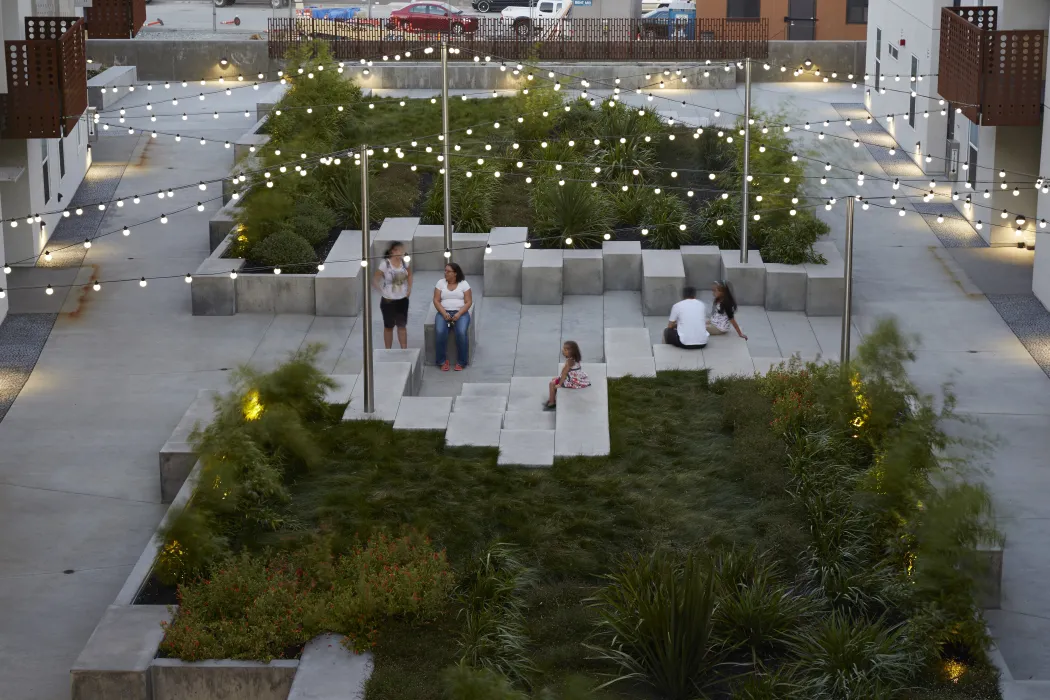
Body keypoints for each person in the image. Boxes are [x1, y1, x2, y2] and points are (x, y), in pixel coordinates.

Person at [433, 262, 472, 371]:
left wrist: (459, 314)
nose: (445, 273)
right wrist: (444, 313)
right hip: (443, 312)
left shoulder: (464, 284)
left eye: (448, 271)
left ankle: (462, 361)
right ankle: (441, 360)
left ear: (455, 273)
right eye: (445, 271)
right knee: (440, 331)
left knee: (461, 332)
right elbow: (436, 300)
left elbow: (468, 302)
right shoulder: (440, 283)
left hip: (461, 312)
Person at [374, 241, 412, 350]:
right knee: (389, 326)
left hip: (402, 299)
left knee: (402, 326)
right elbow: (375, 280)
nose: (401, 252)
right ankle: (388, 350)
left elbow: (409, 275)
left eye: (402, 250)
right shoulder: (385, 264)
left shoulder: (405, 263)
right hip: (388, 300)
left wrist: (409, 289)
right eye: (399, 250)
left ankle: (404, 350)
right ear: (393, 251)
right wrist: (383, 291)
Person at [545, 340, 590, 410]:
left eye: (566, 350)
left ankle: (551, 402)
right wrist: (558, 378)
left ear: (572, 351)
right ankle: (553, 397)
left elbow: (564, 374)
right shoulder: (574, 359)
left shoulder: (570, 361)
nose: (563, 351)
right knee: (554, 380)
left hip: (571, 381)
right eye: (563, 349)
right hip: (574, 377)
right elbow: (567, 372)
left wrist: (559, 384)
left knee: (551, 383)